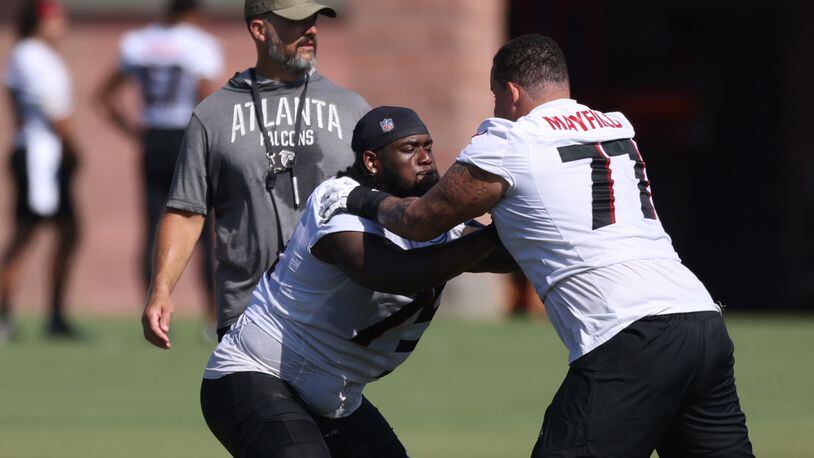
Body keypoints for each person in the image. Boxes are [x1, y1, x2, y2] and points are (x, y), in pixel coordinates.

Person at [320, 35, 753, 457]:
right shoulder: (617, 128)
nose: (494, 108)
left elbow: (418, 222)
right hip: (701, 320)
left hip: (630, 333)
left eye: (493, 97)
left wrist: (355, 196)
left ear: (510, 92)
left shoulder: (512, 140)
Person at [200, 106, 515, 457]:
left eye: (428, 146)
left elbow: (506, 256)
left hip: (337, 398)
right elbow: (395, 273)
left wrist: (525, 209)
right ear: (372, 161)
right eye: (410, 149)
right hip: (258, 374)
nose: (425, 158)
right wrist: (491, 237)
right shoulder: (338, 200)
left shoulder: (431, 219)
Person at [140, 0, 370, 349]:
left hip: (334, 316)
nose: (311, 30)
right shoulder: (212, 115)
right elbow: (186, 212)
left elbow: (380, 206)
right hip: (247, 317)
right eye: (297, 22)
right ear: (260, 30)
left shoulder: (353, 110)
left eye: (314, 20)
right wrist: (161, 288)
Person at [96, 0, 223, 335]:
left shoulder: (138, 42)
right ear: (193, 11)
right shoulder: (198, 44)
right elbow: (207, 98)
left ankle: (150, 309)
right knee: (201, 228)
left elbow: (103, 95)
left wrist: (134, 130)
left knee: (153, 226)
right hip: (187, 137)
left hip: (153, 139)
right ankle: (212, 315)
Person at [0, 0, 82, 341]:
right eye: (55, 18)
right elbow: (54, 112)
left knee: (68, 231)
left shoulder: (31, 55)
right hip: (40, 155)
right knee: (26, 234)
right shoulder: (32, 55)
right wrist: (73, 147)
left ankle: (56, 314)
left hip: (42, 152)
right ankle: (5, 315)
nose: (61, 23)